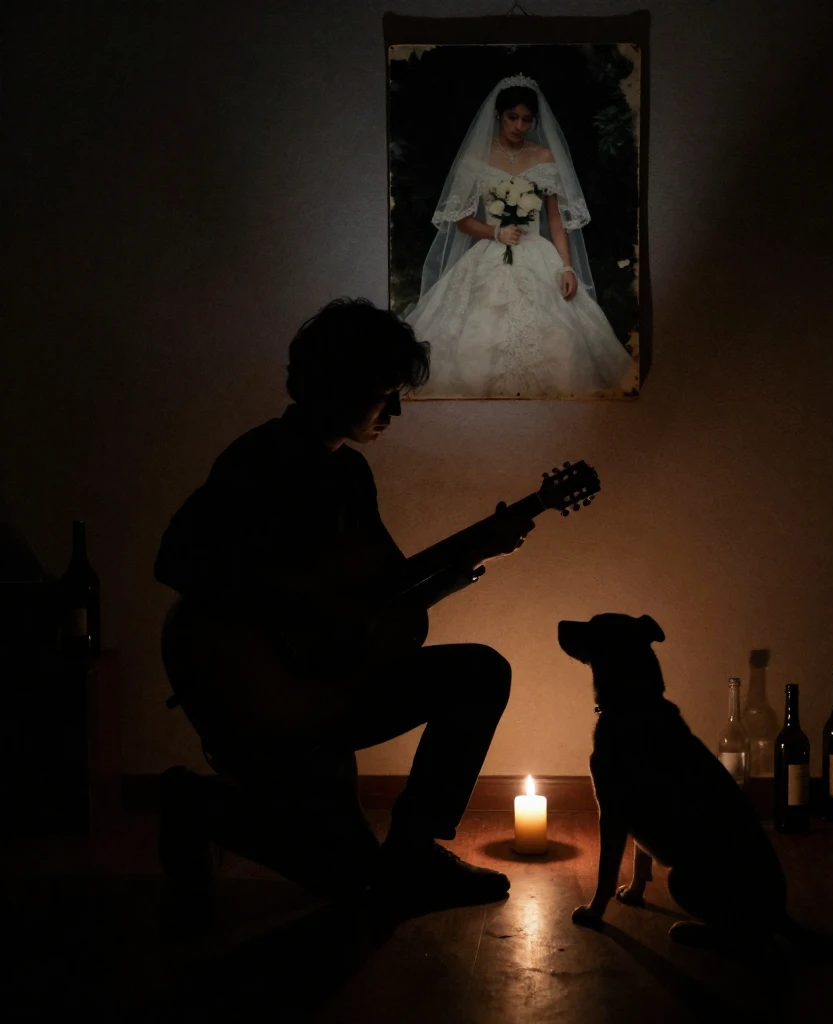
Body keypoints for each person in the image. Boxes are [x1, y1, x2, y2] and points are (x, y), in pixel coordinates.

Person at [154, 297, 535, 912]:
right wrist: (295, 611)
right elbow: (174, 560)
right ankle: (194, 801)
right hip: (262, 699)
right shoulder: (257, 462)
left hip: (329, 688)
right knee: (353, 882)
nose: (396, 411)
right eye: (386, 394)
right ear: (341, 385)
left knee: (481, 671)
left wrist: (475, 555)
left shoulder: (350, 475)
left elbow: (384, 598)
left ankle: (413, 852)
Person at [404, 74, 637, 399]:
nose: (519, 125)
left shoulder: (543, 157)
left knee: (558, 334)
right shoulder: (478, 157)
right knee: (480, 332)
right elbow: (461, 220)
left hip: (537, 253)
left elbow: (555, 220)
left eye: (527, 119)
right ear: (499, 115)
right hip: (491, 250)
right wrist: (495, 232)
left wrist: (566, 267)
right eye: (513, 117)